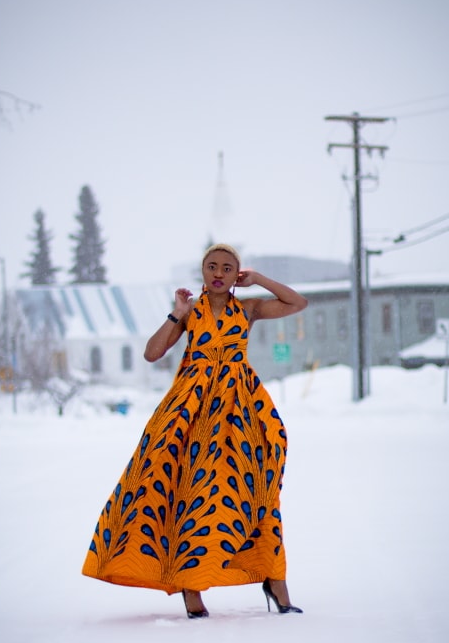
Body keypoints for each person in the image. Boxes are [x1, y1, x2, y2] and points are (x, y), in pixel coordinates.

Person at [81, 244, 308, 618]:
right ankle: (191, 587)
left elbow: (296, 303)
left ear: (236, 273)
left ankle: (273, 578)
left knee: (255, 489)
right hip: (192, 410)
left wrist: (258, 280)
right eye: (211, 267)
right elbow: (152, 354)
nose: (218, 273)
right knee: (190, 490)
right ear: (202, 272)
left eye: (227, 268)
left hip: (240, 409)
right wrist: (176, 315)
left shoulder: (247, 310)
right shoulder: (191, 312)